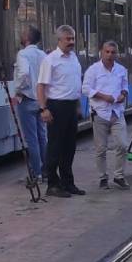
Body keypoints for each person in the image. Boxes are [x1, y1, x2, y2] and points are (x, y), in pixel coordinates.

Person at [38, 25, 85, 198]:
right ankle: (52, 184)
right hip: (56, 106)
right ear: (59, 40)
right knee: (55, 147)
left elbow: (75, 84)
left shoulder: (74, 58)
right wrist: (43, 108)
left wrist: (78, 105)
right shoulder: (50, 60)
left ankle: (68, 182)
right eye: (68, 39)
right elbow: (41, 86)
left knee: (69, 147)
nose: (71, 42)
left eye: (73, 38)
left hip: (71, 106)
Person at [84, 40, 131, 191]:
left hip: (117, 112)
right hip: (100, 113)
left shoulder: (121, 69)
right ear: (101, 52)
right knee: (101, 149)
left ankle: (119, 175)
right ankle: (103, 177)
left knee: (122, 145)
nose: (110, 55)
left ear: (116, 54)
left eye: (113, 52)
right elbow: (85, 89)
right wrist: (103, 96)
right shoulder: (93, 70)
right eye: (107, 52)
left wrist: (123, 94)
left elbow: (124, 86)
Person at [11, 26, 48, 181]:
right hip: (41, 101)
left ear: (27, 38)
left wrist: (18, 89)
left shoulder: (23, 54)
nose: (20, 34)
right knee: (43, 136)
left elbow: (24, 74)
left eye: (22, 32)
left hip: (27, 100)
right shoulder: (43, 55)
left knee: (31, 139)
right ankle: (46, 171)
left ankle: (37, 172)